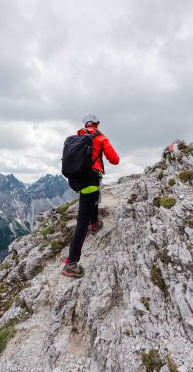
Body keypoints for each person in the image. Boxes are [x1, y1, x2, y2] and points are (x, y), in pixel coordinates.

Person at [61, 113, 120, 278]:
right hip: (89, 179)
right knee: (82, 220)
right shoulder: (100, 138)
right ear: (97, 124)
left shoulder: (76, 137)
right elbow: (114, 160)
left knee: (92, 197)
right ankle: (71, 263)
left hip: (74, 180)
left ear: (85, 125)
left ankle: (94, 223)